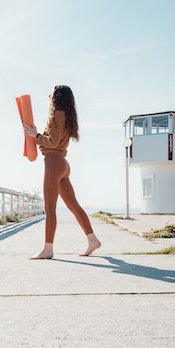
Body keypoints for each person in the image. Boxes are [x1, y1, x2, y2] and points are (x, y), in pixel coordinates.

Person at [23, 85, 101, 259]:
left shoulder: (58, 114)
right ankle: (93, 239)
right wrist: (36, 133)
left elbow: (51, 142)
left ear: (57, 97)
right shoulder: (67, 116)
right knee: (74, 206)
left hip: (53, 163)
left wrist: (35, 136)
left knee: (50, 210)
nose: (49, 96)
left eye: (51, 94)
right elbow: (55, 139)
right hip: (63, 164)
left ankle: (48, 249)